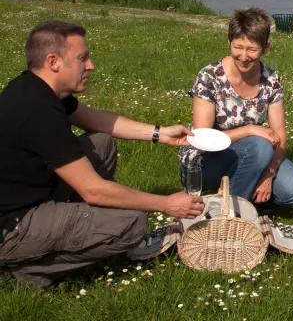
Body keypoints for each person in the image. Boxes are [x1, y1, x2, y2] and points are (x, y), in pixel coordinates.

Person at [0, 21, 205, 288]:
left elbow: (97, 121)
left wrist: (160, 133)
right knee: (133, 223)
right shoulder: (38, 111)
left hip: (31, 196)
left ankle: (74, 228)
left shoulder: (36, 87)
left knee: (101, 144)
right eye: (82, 58)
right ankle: (22, 272)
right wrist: (166, 204)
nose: (91, 65)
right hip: (11, 227)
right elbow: (94, 191)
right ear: (53, 61)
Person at [179, 7, 293, 207]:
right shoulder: (209, 77)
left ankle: (243, 188)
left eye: (252, 49)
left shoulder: (270, 78)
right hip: (207, 160)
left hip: (255, 155)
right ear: (229, 42)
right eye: (238, 47)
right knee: (260, 145)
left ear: (266, 48)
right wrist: (249, 130)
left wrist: (269, 174)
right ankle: (227, 209)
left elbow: (280, 135)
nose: (244, 56)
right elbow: (203, 140)